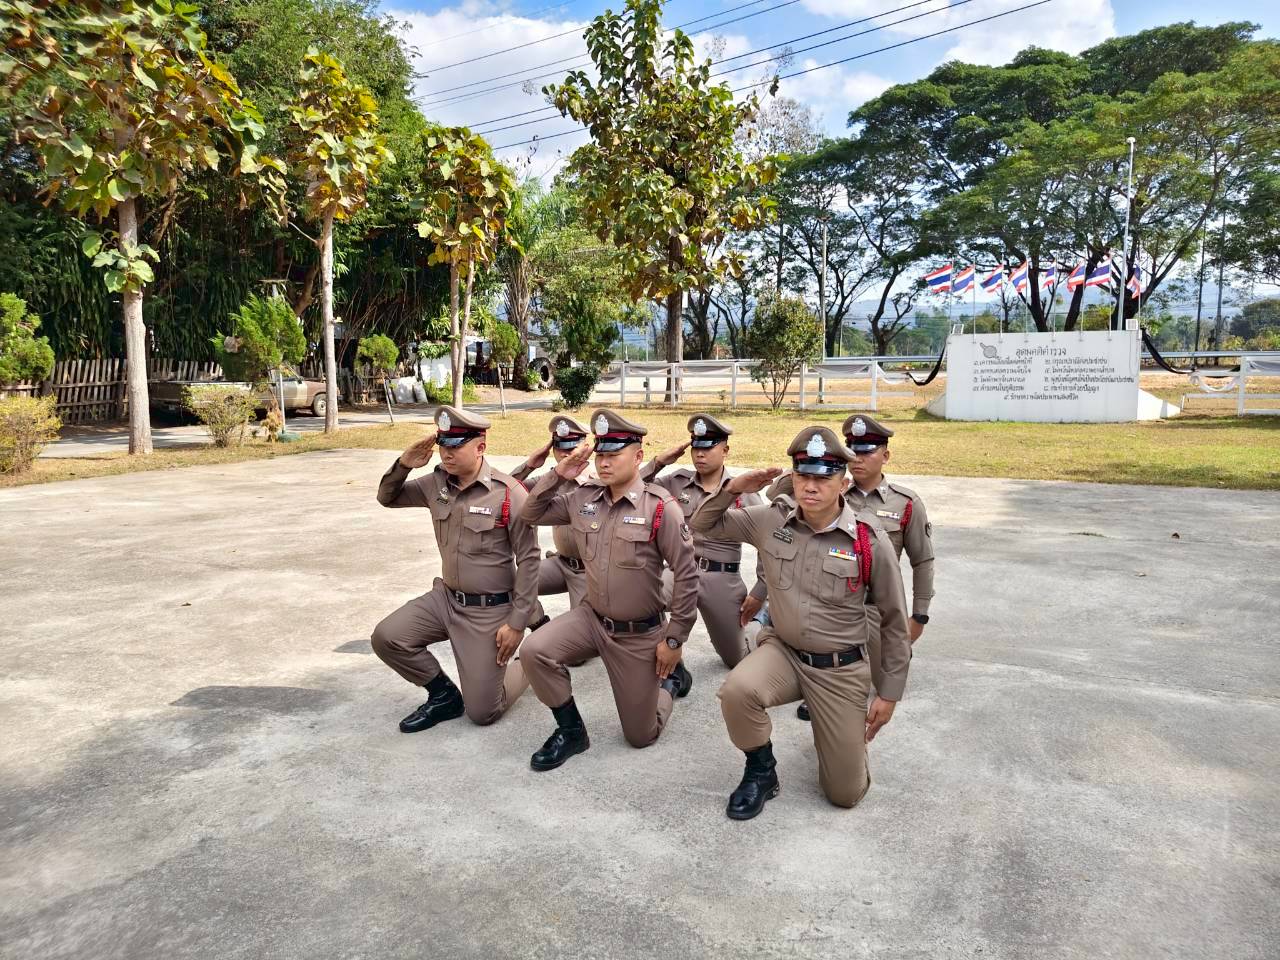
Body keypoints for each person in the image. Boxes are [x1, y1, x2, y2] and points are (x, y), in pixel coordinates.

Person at [690, 426, 912, 820]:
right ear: (792, 478)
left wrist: (889, 693)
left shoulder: (867, 541)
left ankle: (839, 739)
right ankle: (761, 770)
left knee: (844, 794)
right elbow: (702, 524)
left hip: (839, 669)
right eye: (802, 476)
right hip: (784, 653)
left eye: (823, 478)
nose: (810, 486)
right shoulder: (770, 521)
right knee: (737, 691)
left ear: (843, 483)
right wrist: (732, 488)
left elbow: (894, 621)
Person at [517, 408, 699, 771]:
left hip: (639, 633)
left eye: (614, 454)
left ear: (638, 456)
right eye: (600, 453)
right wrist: (558, 474)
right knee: (535, 650)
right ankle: (571, 731)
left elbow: (687, 575)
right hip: (591, 619)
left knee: (641, 735)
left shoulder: (660, 508)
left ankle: (670, 684)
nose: (604, 462)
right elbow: (530, 513)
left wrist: (674, 639)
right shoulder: (583, 499)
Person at [369, 405, 539, 733]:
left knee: (484, 712)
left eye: (456, 446)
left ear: (480, 447)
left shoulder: (508, 493)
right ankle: (444, 695)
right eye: (443, 445)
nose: (447, 453)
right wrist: (404, 464)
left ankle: (534, 660)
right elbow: (387, 498)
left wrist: (517, 623)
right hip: (445, 600)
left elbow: (530, 560)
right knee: (387, 637)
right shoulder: (436, 484)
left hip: (489, 611)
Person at [765, 413, 936, 722]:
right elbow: (774, 497)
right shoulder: (829, 489)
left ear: (886, 455)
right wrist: (809, 466)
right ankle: (820, 689)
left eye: (867, 450)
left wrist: (919, 615)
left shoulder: (905, 503)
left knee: (886, 682)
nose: (858, 457)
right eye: (852, 450)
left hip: (874, 608)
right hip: (829, 605)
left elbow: (922, 560)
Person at [642, 413, 765, 669]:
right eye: (696, 447)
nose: (700, 454)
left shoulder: (742, 489)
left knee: (736, 659)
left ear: (725, 450)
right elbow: (633, 488)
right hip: (680, 572)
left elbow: (769, 540)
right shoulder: (677, 483)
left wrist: (760, 591)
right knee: (639, 600)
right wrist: (659, 462)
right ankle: (665, 647)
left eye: (708, 447)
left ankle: (759, 625)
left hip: (722, 581)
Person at [510, 415, 595, 610]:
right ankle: (537, 621)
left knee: (581, 622)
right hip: (560, 563)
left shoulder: (600, 480)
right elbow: (502, 491)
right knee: (507, 585)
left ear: (585, 447)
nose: (565, 454)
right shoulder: (550, 480)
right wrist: (529, 465)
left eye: (571, 448)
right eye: (559, 447)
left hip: (588, 571)